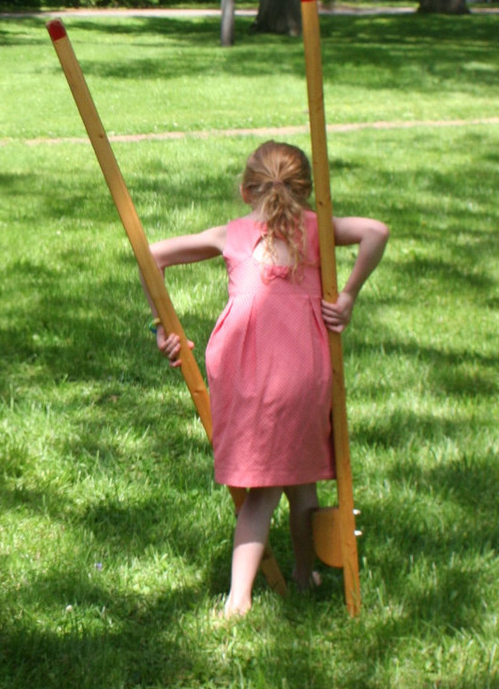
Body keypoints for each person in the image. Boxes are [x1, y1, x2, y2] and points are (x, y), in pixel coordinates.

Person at [147, 141, 388, 616]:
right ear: (307, 191)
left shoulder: (230, 233)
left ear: (245, 190)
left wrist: (162, 327)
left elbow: (151, 256)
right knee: (297, 479)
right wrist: (348, 296)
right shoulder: (316, 229)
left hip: (241, 371)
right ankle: (288, 580)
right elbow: (376, 231)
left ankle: (250, 596)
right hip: (301, 371)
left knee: (267, 485)